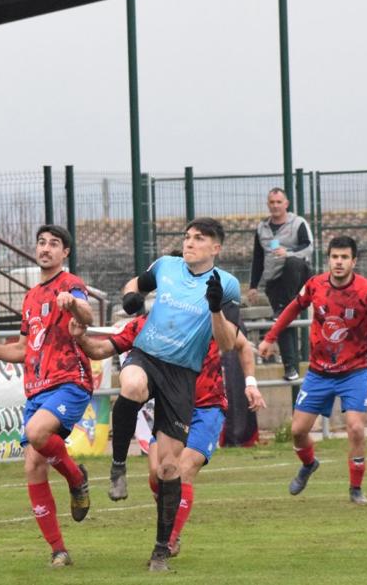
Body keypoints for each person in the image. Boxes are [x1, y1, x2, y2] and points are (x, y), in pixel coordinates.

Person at [74, 302, 264, 557]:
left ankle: (169, 541)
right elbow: (99, 349)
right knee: (157, 474)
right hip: (171, 409)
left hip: (206, 409)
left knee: (181, 470)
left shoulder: (205, 320)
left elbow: (241, 345)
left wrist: (251, 384)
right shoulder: (144, 324)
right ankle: (170, 515)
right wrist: (81, 337)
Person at [108, 217, 240, 572]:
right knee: (132, 385)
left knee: (169, 469)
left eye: (199, 238)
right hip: (148, 354)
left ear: (216, 248)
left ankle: (161, 551)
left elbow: (228, 343)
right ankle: (118, 466)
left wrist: (214, 309)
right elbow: (135, 282)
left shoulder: (227, 285)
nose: (190, 242)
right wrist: (131, 297)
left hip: (183, 376)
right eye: (187, 236)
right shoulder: (166, 266)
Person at [0, 224, 94, 568]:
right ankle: (58, 550)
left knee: (37, 434)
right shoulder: (31, 296)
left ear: (65, 253)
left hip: (70, 381)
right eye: (41, 243)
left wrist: (74, 306)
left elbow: (88, 315)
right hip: (36, 388)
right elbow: (22, 349)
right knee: (33, 465)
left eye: (54, 244)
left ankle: (77, 478)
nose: (45, 248)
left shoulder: (71, 285)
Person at [259, 236, 367, 505]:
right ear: (329, 259)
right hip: (319, 373)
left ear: (354, 261)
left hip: (354, 372)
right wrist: (270, 337)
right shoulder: (316, 285)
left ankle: (355, 489)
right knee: (298, 431)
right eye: (335, 257)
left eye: (344, 257)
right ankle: (309, 464)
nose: (339, 262)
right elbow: (292, 309)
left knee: (356, 428)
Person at [248, 188, 314, 381]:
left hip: (297, 277)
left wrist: (289, 252)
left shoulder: (298, 223)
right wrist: (253, 285)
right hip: (274, 281)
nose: (275, 206)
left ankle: (283, 309)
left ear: (286, 203)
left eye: (279, 202)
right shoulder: (262, 228)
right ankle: (290, 368)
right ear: (268, 204)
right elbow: (258, 258)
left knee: (293, 264)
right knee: (283, 321)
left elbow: (308, 247)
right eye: (272, 202)